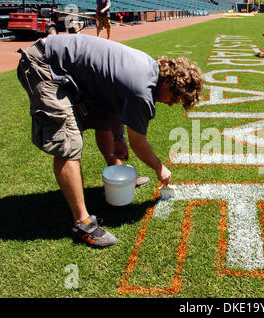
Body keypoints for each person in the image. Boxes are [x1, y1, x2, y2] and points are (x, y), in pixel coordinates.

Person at [17, 34, 203, 248]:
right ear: (170, 82)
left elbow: (112, 104)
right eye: (175, 98)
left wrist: (118, 137)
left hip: (60, 62)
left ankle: (117, 173)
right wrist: (159, 168)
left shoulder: (149, 68)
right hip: (44, 66)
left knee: (101, 119)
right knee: (68, 144)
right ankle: (82, 223)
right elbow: (139, 144)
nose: (170, 104)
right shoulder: (142, 91)